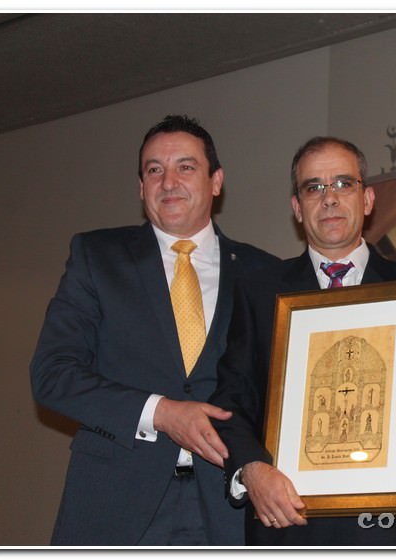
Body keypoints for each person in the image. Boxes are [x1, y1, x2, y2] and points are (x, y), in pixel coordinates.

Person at [210, 136, 396, 546]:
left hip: (392, 534)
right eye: (314, 187)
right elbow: (231, 401)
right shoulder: (259, 293)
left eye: (343, 184)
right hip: (291, 529)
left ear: (367, 199)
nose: (329, 198)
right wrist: (251, 470)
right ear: (297, 207)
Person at [30, 115, 279, 545]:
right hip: (114, 508)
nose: (168, 182)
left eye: (186, 167)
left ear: (216, 181)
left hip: (230, 511)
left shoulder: (264, 272)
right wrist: (160, 413)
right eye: (154, 170)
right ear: (141, 187)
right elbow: (53, 374)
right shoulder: (97, 257)